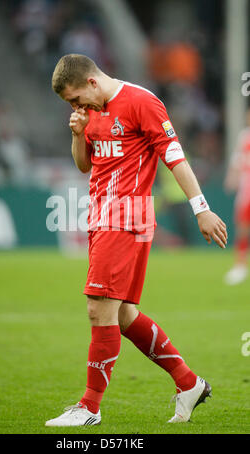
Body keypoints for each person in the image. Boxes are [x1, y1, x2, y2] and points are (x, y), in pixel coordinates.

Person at [46, 54, 228, 426]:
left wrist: (201, 208)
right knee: (124, 316)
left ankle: (89, 407)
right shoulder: (91, 112)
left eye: (76, 99)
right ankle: (188, 383)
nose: (76, 107)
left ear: (93, 82)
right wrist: (78, 132)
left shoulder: (142, 102)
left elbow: (175, 157)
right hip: (101, 217)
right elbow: (85, 165)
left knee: (99, 310)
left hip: (125, 218)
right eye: (70, 105)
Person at [224, 109, 250, 285]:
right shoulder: (244, 136)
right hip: (246, 189)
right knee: (242, 227)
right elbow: (237, 160)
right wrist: (231, 178)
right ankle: (240, 266)